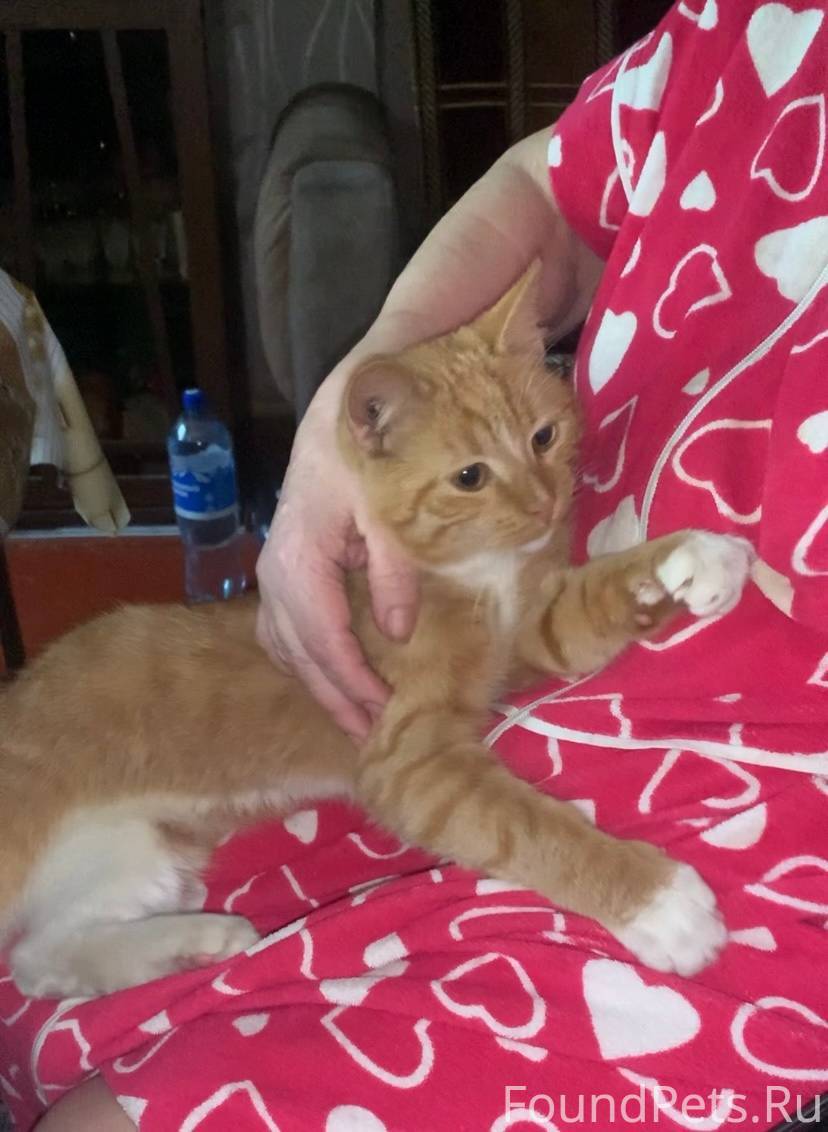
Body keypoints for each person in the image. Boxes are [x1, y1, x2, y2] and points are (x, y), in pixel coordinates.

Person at [15, 0, 828, 1127]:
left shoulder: (479, 561)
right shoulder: (746, 29)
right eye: (484, 476)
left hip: (721, 833)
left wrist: (629, 585)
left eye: (544, 440)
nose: (538, 498)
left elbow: (503, 669)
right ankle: (68, 946)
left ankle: (71, 948)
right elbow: (554, 190)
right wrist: (345, 418)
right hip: (110, 756)